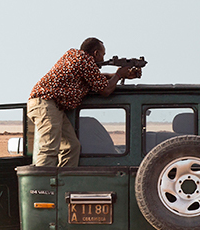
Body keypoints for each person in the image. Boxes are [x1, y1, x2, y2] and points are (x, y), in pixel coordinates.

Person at [28, 38, 141, 167]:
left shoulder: (76, 56)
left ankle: (64, 178)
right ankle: (42, 180)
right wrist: (119, 75)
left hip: (52, 105)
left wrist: (119, 75)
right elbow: (105, 90)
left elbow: (96, 78)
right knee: (49, 148)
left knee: (71, 147)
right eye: (102, 55)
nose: (103, 58)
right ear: (96, 53)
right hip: (46, 103)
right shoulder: (84, 60)